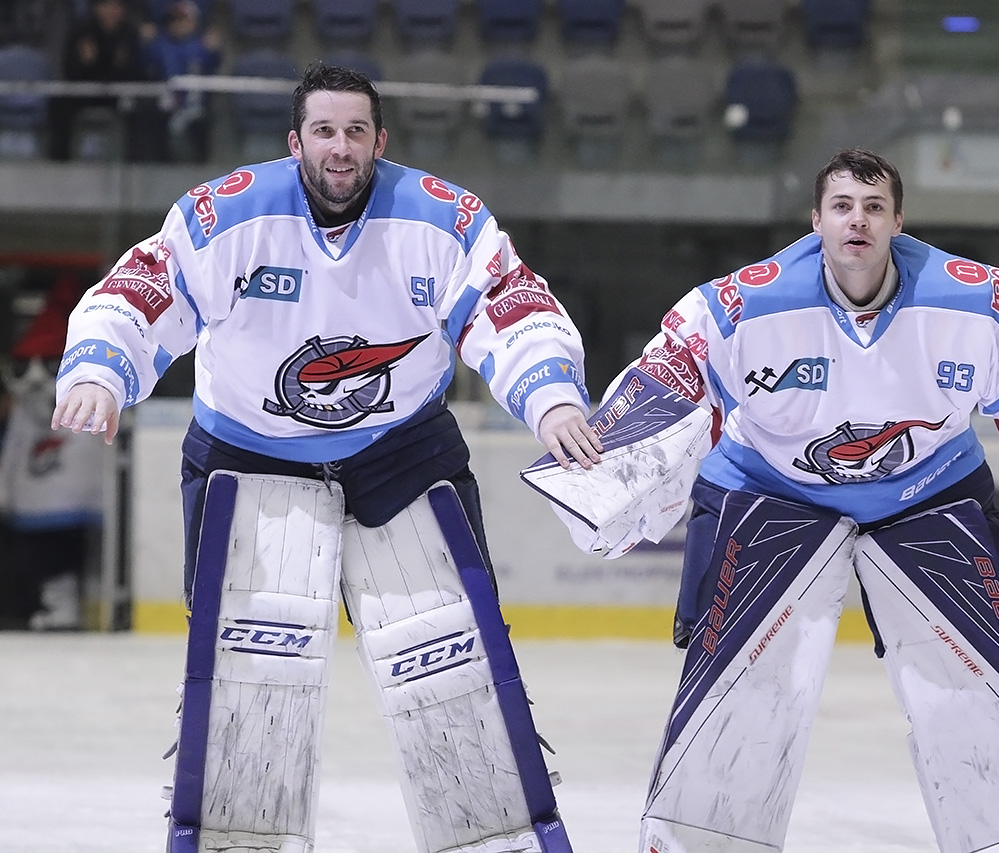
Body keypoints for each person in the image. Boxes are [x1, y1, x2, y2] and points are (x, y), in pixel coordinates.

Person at [526, 148, 999, 853]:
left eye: (873, 207)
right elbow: (672, 379)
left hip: (929, 491)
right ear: (816, 221)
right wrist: (610, 462)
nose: (856, 221)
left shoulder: (977, 299)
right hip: (772, 490)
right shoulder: (743, 305)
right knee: (744, 689)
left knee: (979, 685)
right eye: (842, 207)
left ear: (897, 221)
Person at [52, 61, 601, 852]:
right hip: (250, 455)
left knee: (456, 665)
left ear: (380, 140)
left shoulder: (444, 217)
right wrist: (100, 371)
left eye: (355, 131)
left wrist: (548, 394)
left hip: (402, 451)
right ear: (295, 141)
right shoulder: (226, 213)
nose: (339, 148)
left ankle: (503, 825)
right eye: (323, 131)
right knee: (248, 681)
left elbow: (510, 306)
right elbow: (141, 290)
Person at [0, 275, 104, 631]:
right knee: (46, 558)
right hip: (42, 500)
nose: (33, 379)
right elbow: (15, 449)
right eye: (22, 367)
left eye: (48, 363)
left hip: (60, 497)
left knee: (59, 557)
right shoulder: (23, 413)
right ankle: (62, 604)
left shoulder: (88, 396)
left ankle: (69, 605)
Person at [48, 0, 165, 162]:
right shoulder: (81, 32)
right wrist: (85, 63)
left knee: (141, 107)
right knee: (59, 104)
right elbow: (69, 72)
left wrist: (122, 66)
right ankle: (59, 160)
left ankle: (134, 162)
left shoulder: (129, 33)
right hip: (86, 91)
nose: (112, 11)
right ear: (97, 9)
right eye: (107, 6)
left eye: (116, 6)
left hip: (118, 93)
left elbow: (137, 74)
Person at [141, 0, 222, 163]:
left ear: (194, 22)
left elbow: (213, 65)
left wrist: (214, 51)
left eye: (184, 20)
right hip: (166, 107)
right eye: (175, 20)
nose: (179, 25)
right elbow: (146, 62)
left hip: (196, 107)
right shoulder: (161, 45)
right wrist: (145, 44)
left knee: (199, 137)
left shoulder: (202, 45)